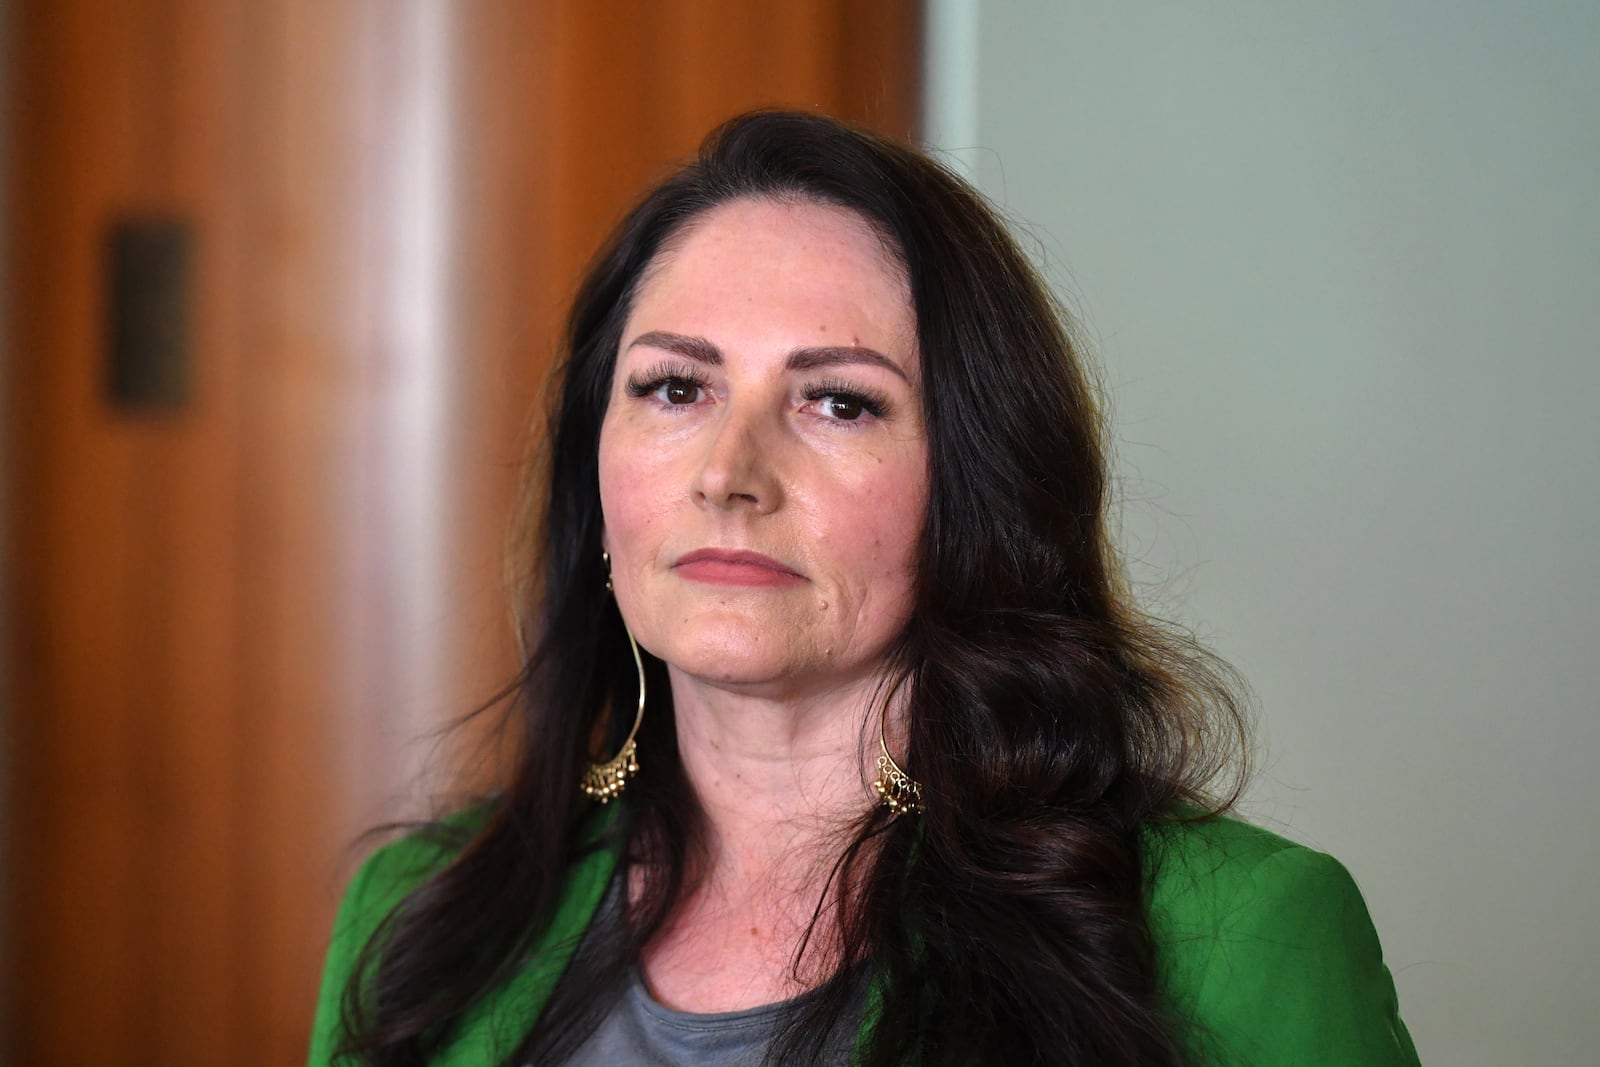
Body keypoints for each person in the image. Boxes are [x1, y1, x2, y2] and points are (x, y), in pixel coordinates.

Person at [308, 110, 1419, 1067]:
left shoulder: (1246, 934)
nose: (729, 475)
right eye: (675, 386)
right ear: (594, 479)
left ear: (973, 489)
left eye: (838, 401)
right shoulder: (416, 912)